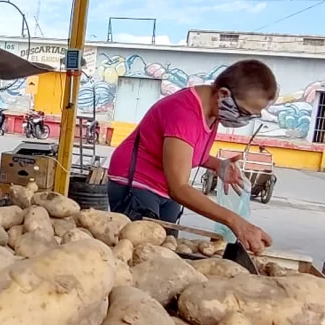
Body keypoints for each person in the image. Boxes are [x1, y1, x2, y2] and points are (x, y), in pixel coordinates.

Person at [107, 59, 275, 253]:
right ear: (223, 95)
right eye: (245, 112)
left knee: (168, 249)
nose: (244, 120)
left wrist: (217, 164)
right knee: (142, 253)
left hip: (165, 187)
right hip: (137, 182)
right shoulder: (185, 114)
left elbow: (188, 151)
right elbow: (179, 188)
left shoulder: (212, 110)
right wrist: (235, 222)